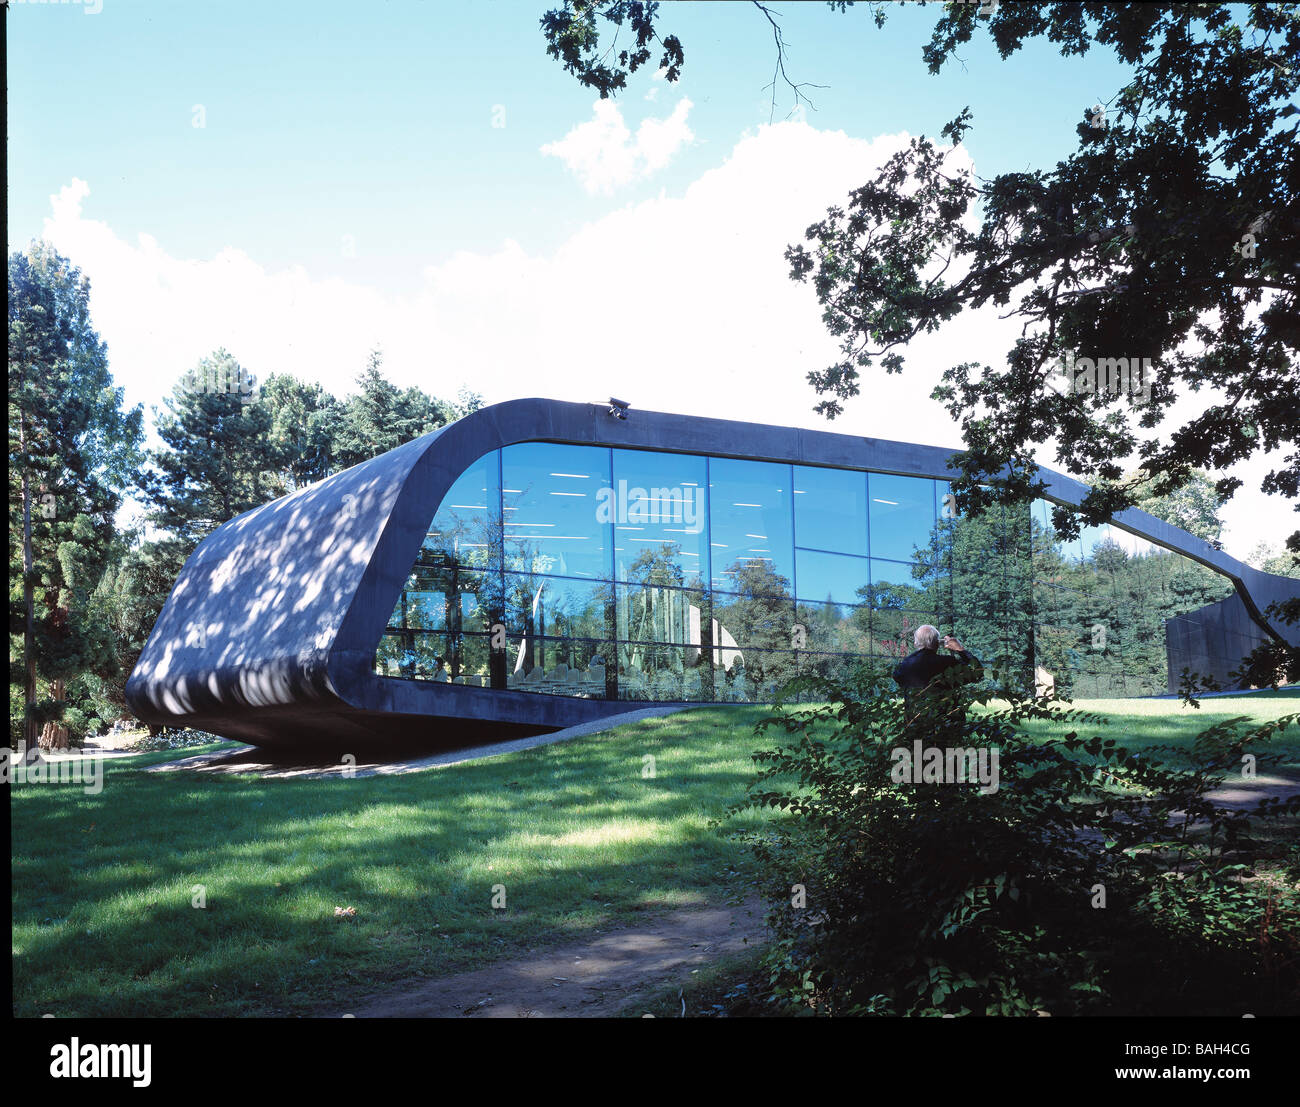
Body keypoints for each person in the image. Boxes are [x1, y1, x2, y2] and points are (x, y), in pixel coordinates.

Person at [892, 625, 981, 721]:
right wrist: (960, 649)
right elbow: (978, 673)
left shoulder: (905, 665)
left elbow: (897, 677)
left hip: (915, 724)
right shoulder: (948, 663)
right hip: (946, 724)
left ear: (915, 643)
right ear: (938, 643)